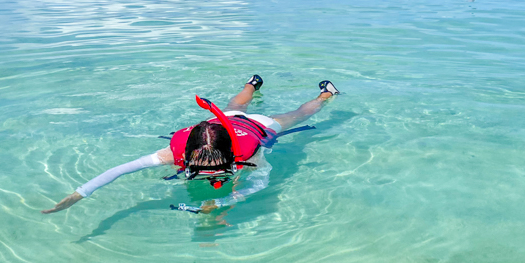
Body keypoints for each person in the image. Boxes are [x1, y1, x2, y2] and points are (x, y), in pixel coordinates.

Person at [42, 76, 340, 215]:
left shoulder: (251, 152)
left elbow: (260, 183)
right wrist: (80, 193)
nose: (209, 172)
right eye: (202, 166)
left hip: (257, 126)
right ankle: (253, 83)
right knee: (234, 104)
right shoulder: (175, 153)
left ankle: (325, 95)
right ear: (190, 153)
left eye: (215, 166)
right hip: (229, 120)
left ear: (229, 154)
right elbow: (121, 169)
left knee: (298, 115)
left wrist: (222, 201)